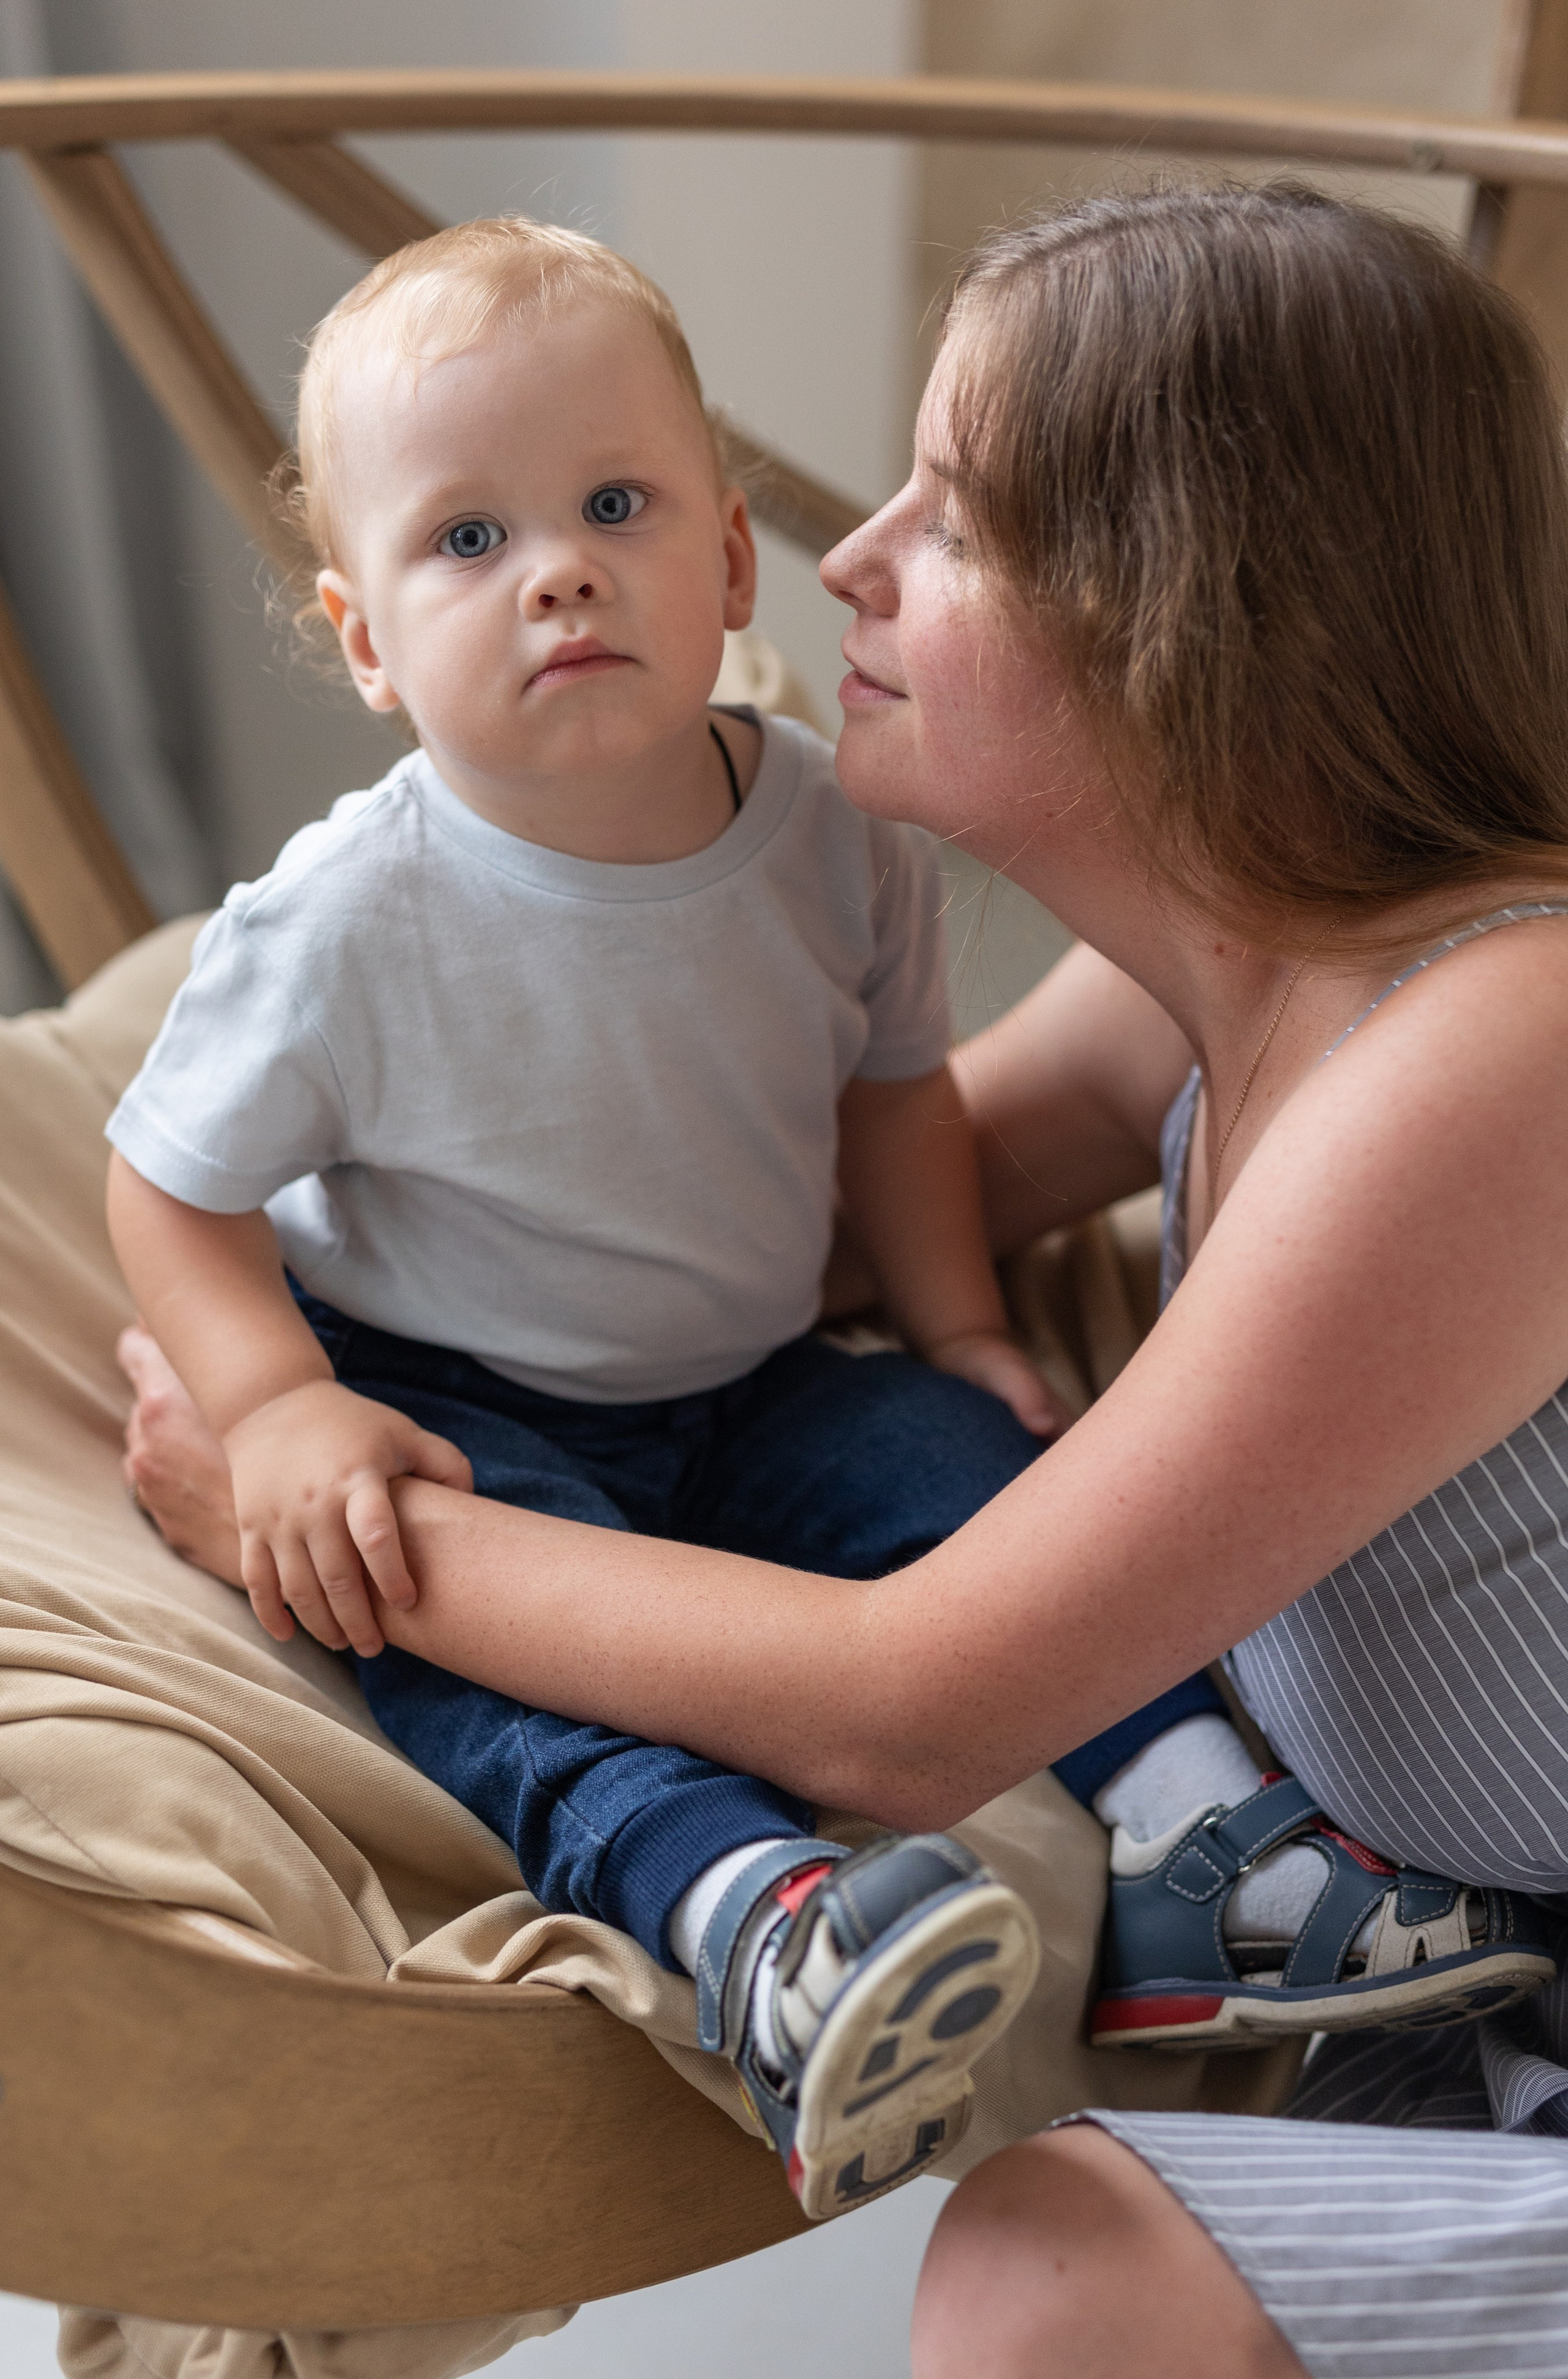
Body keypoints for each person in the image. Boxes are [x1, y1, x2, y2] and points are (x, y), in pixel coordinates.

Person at [119, 178, 1568, 2373]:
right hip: (1495, 1984)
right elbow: (724, 1214)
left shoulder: (1495, 1048)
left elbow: (916, 1703)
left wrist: (329, 1537)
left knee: (1049, 2270)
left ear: (1201, 595)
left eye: (956, 516)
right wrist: (303, 1339)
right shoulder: (1219, 977)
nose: (840, 555)